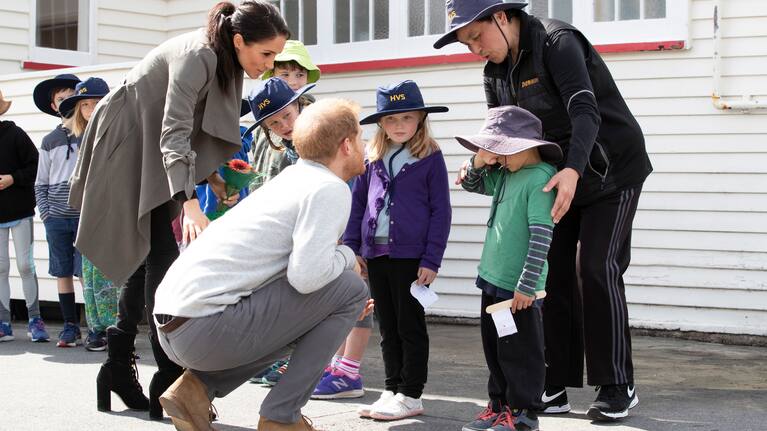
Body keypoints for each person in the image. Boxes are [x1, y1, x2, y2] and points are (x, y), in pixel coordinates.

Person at [67, 0, 290, 420]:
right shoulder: (200, 56)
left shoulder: (225, 59)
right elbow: (174, 131)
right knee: (161, 261)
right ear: (239, 40)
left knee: (146, 257)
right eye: (266, 53)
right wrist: (188, 202)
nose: (271, 63)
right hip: (131, 137)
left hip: (152, 141)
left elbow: (195, 130)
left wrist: (212, 180)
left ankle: (118, 368)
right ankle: (167, 379)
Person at [437, 0, 653, 421]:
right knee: (549, 274)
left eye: (476, 37)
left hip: (611, 172)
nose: (475, 49)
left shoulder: (558, 42)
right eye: (466, 44)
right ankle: (553, 383)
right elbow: (503, 130)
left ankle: (616, 384)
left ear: (501, 16)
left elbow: (584, 109)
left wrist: (573, 169)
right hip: (553, 177)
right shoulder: (494, 72)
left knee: (593, 267)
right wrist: (481, 162)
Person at [153, 98, 373, 431]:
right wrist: (348, 260)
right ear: (346, 145)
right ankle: (281, 417)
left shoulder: (293, 179)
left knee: (324, 306)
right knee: (350, 289)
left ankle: (195, 390)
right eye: (360, 138)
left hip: (175, 325)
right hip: (203, 329)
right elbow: (308, 277)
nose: (365, 145)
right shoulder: (328, 188)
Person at [345, 80, 452, 420]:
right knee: (387, 325)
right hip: (376, 254)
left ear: (420, 118)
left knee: (410, 324)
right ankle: (392, 388)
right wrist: (352, 247)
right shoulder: (372, 157)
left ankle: (412, 394)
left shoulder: (430, 157)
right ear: (381, 124)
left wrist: (432, 258)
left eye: (407, 118)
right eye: (391, 120)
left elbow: (441, 211)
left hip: (412, 257)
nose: (400, 125)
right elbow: (358, 203)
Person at [458, 106, 563, 431]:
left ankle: (523, 413)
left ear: (524, 146)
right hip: (492, 279)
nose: (497, 158)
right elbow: (471, 184)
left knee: (520, 352)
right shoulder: (505, 173)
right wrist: (480, 158)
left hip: (519, 287)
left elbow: (541, 235)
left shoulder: (540, 178)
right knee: (496, 348)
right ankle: (499, 405)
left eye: (501, 151)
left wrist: (527, 285)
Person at [58, 77, 115, 352]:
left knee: (114, 270)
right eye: (85, 105)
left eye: (96, 103)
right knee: (90, 272)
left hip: (115, 208)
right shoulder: (76, 138)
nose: (91, 109)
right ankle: (96, 329)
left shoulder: (117, 130)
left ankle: (117, 329)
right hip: (87, 210)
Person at [32, 73, 83, 348]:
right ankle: (69, 326)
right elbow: (41, 182)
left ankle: (96, 327)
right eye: (60, 99)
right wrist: (47, 214)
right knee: (62, 272)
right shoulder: (49, 141)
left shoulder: (88, 135)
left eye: (70, 98)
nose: (65, 103)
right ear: (54, 106)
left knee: (86, 271)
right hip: (57, 218)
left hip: (84, 216)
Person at [0, 89, 49, 343]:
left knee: (25, 265)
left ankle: (35, 319)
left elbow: (35, 166)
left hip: (20, 212)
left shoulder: (15, 134)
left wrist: (12, 178)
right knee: (1, 268)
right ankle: (3, 322)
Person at [250, 39, 321, 186]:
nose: (293, 82)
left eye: (300, 75)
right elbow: (258, 164)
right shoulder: (261, 121)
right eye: (285, 75)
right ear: (271, 75)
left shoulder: (314, 119)